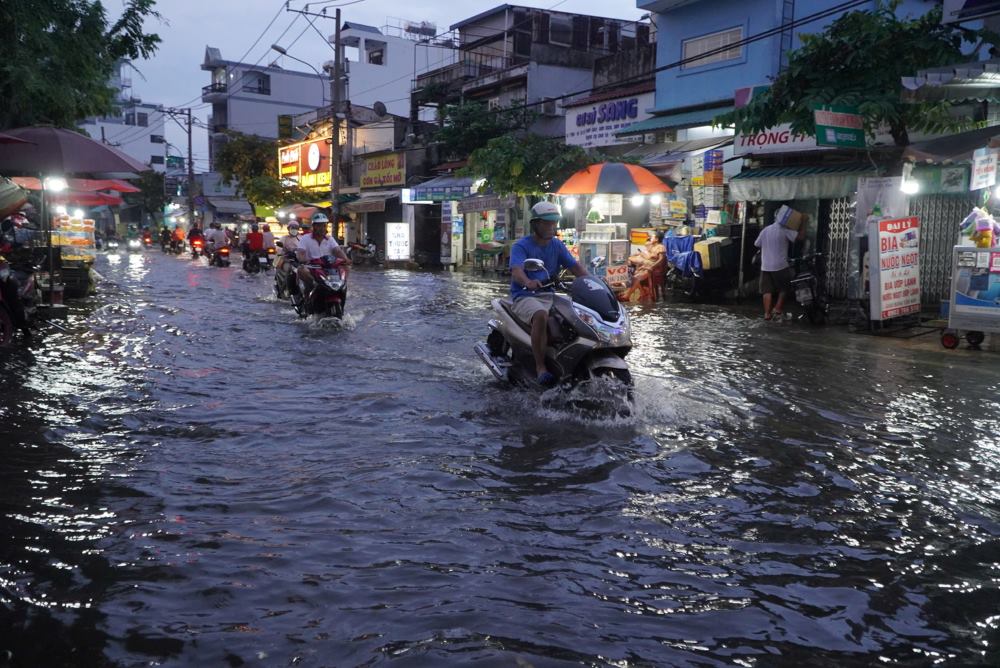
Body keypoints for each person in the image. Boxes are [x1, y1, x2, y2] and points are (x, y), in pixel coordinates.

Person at [509, 201, 588, 387]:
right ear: (535, 224)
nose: (551, 227)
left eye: (553, 223)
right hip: (525, 296)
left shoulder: (557, 245)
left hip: (550, 295)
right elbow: (517, 270)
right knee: (541, 315)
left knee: (577, 316)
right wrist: (528, 282)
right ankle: (540, 367)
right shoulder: (521, 246)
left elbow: (575, 267)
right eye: (546, 223)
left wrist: (594, 283)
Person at [755, 205, 807, 320]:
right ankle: (777, 309)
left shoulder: (766, 230)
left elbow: (757, 244)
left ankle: (767, 314)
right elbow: (801, 237)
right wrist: (803, 222)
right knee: (784, 288)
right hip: (780, 265)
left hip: (766, 266)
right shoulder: (785, 230)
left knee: (766, 291)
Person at [295, 213, 351, 298]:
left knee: (346, 267)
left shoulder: (330, 239)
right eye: (319, 226)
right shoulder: (305, 238)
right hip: (312, 267)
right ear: (314, 226)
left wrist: (345, 259)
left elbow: (337, 251)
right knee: (301, 270)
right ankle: (313, 287)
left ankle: (342, 287)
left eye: (324, 226)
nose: (322, 228)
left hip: (328, 268)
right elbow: (301, 253)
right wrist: (302, 259)